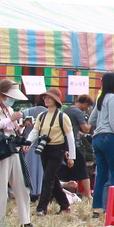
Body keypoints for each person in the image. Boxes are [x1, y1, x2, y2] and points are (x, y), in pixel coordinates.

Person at [0, 79, 32, 227]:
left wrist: (21, 126)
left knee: (22, 186)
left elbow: (13, 129)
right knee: (0, 188)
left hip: (12, 149)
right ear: (3, 95)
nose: (13, 100)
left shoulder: (9, 110)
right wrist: (10, 119)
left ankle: (25, 221)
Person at [26, 88, 76, 216]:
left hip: (57, 150)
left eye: (49, 97)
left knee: (47, 178)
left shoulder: (62, 117)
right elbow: (35, 132)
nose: (46, 99)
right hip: (44, 149)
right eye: (45, 97)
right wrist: (27, 144)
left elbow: (70, 137)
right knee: (51, 178)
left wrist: (71, 156)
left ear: (56, 100)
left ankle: (41, 208)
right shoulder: (41, 116)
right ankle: (65, 206)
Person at [90, 72, 114, 219]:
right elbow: (113, 121)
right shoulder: (113, 98)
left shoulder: (101, 98)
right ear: (113, 83)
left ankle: (97, 207)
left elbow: (91, 119)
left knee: (101, 174)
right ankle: (113, 207)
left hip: (97, 138)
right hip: (109, 136)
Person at [62, 94, 93, 197]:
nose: (86, 109)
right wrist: (92, 120)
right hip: (75, 144)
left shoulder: (66, 110)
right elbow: (86, 129)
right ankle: (88, 195)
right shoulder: (78, 112)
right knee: (83, 170)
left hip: (63, 143)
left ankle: (66, 192)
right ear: (85, 104)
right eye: (87, 106)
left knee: (64, 169)